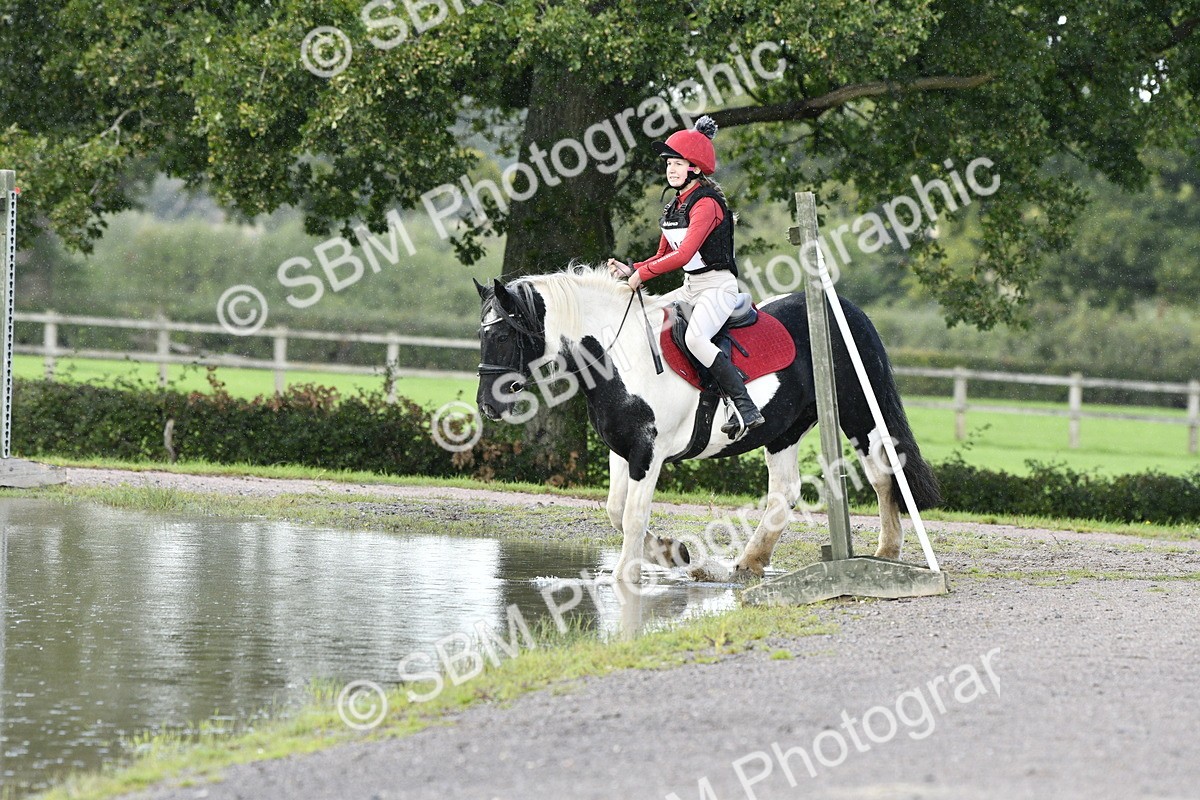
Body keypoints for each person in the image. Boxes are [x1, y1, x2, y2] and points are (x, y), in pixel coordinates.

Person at [607, 115, 764, 437]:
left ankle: (744, 406)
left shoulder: (706, 204)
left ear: (694, 167)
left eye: (677, 164)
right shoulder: (674, 206)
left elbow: (685, 255)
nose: (671, 170)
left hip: (717, 287)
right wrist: (633, 269)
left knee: (695, 338)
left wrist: (643, 275)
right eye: (668, 164)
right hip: (689, 287)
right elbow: (664, 254)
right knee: (645, 317)